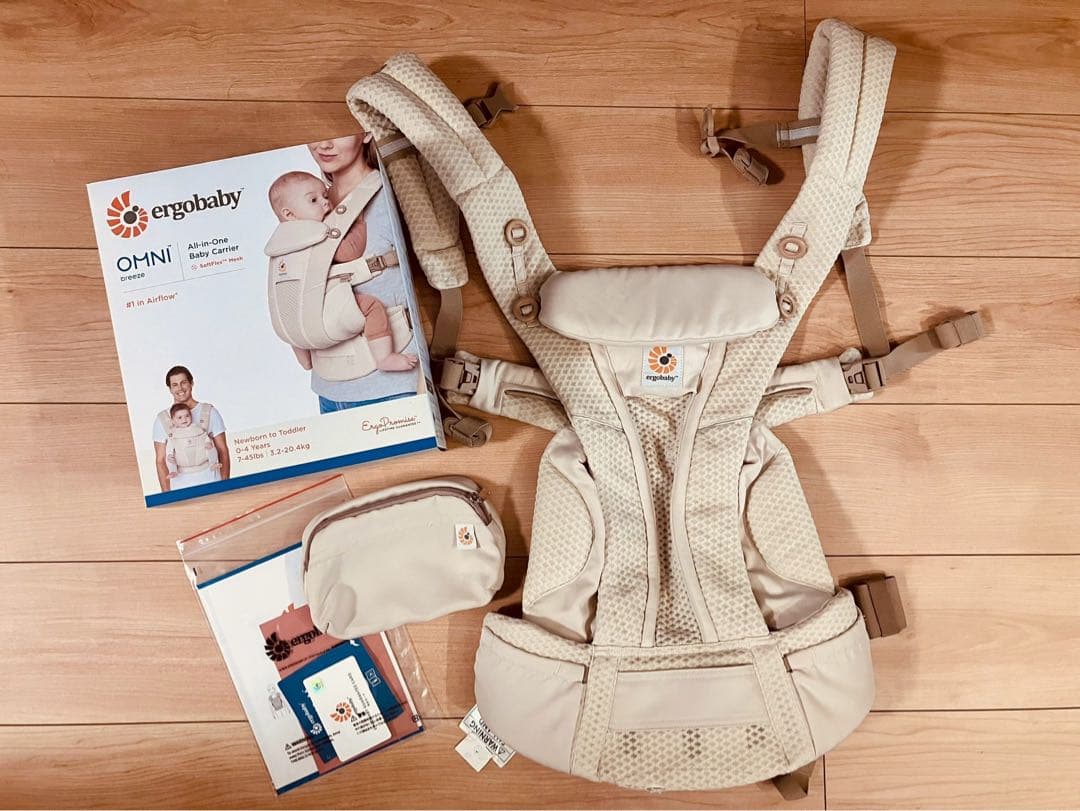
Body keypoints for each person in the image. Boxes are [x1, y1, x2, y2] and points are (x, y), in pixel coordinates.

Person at [305, 133, 421, 413]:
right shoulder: (306, 201)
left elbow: (429, 287)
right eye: (313, 135)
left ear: (366, 132)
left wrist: (424, 386)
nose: (323, 144)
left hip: (396, 388)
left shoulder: (391, 195)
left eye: (337, 133)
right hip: (328, 388)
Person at [266, 170, 418, 373]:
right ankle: (384, 357)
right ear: (289, 214)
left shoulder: (279, 243)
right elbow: (349, 251)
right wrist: (356, 220)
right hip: (323, 318)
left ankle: (306, 361)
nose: (325, 202)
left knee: (291, 316)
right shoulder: (317, 233)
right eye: (313, 200)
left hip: (290, 328)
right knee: (371, 307)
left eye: (325, 196)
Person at [153, 365, 229, 492]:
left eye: (183, 382)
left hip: (211, 481)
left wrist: (226, 486)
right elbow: (160, 461)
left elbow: (223, 451)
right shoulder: (162, 419)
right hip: (180, 488)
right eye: (175, 385)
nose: (180, 388)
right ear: (170, 389)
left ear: (191, 383)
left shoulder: (209, 412)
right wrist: (167, 495)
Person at [162, 402, 221, 480]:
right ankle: (173, 471)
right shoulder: (173, 435)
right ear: (173, 421)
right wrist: (169, 455)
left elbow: (205, 437)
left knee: (211, 448)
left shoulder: (197, 429)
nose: (184, 419)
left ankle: (213, 464)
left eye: (187, 416)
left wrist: (208, 443)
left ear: (191, 416)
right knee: (170, 458)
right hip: (182, 462)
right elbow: (169, 448)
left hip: (202, 458)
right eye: (180, 417)